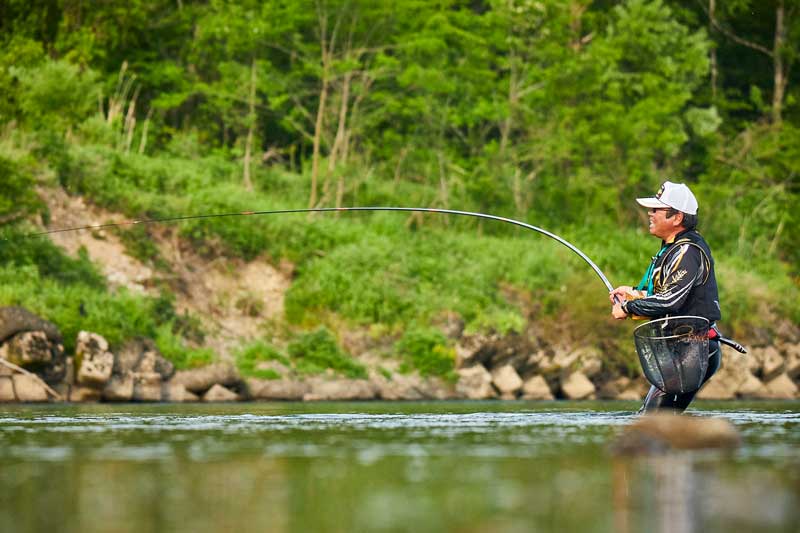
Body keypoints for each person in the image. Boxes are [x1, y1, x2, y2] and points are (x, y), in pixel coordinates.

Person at [609, 181, 721, 413]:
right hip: (683, 350)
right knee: (653, 420)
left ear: (677, 217)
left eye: (656, 210)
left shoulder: (687, 251)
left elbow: (670, 301)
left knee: (653, 421)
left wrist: (629, 307)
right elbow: (666, 295)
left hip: (695, 349)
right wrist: (633, 293)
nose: (650, 214)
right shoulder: (671, 248)